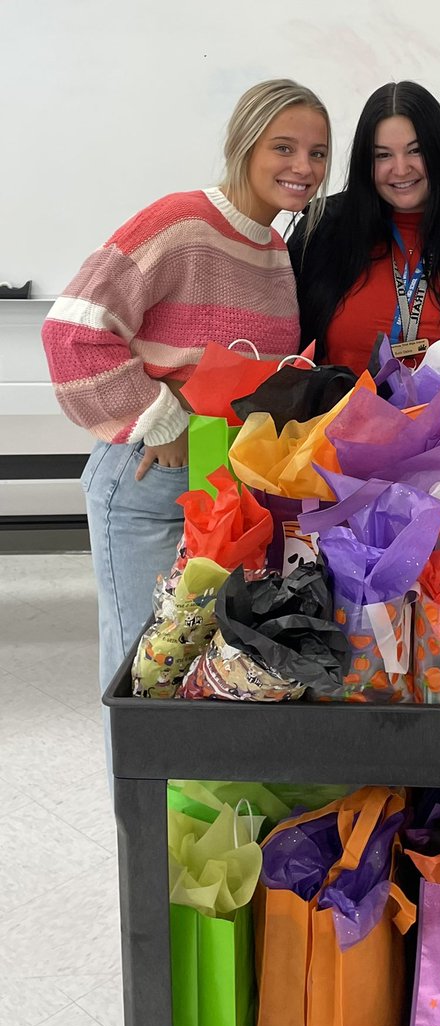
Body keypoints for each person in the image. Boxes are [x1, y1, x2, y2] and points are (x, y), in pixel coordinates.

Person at [42, 79, 331, 694]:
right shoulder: (180, 223)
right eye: (284, 148)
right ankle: (135, 795)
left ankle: (187, 796)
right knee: (142, 673)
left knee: (197, 675)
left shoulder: (276, 250)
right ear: (245, 144)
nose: (303, 167)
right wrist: (162, 419)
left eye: (318, 153)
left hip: (218, 487)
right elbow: (72, 329)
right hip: (150, 479)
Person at [290, 80, 440, 389]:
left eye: (416, 151)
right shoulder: (324, 231)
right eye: (383, 155)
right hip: (341, 432)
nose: (400, 169)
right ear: (366, 162)